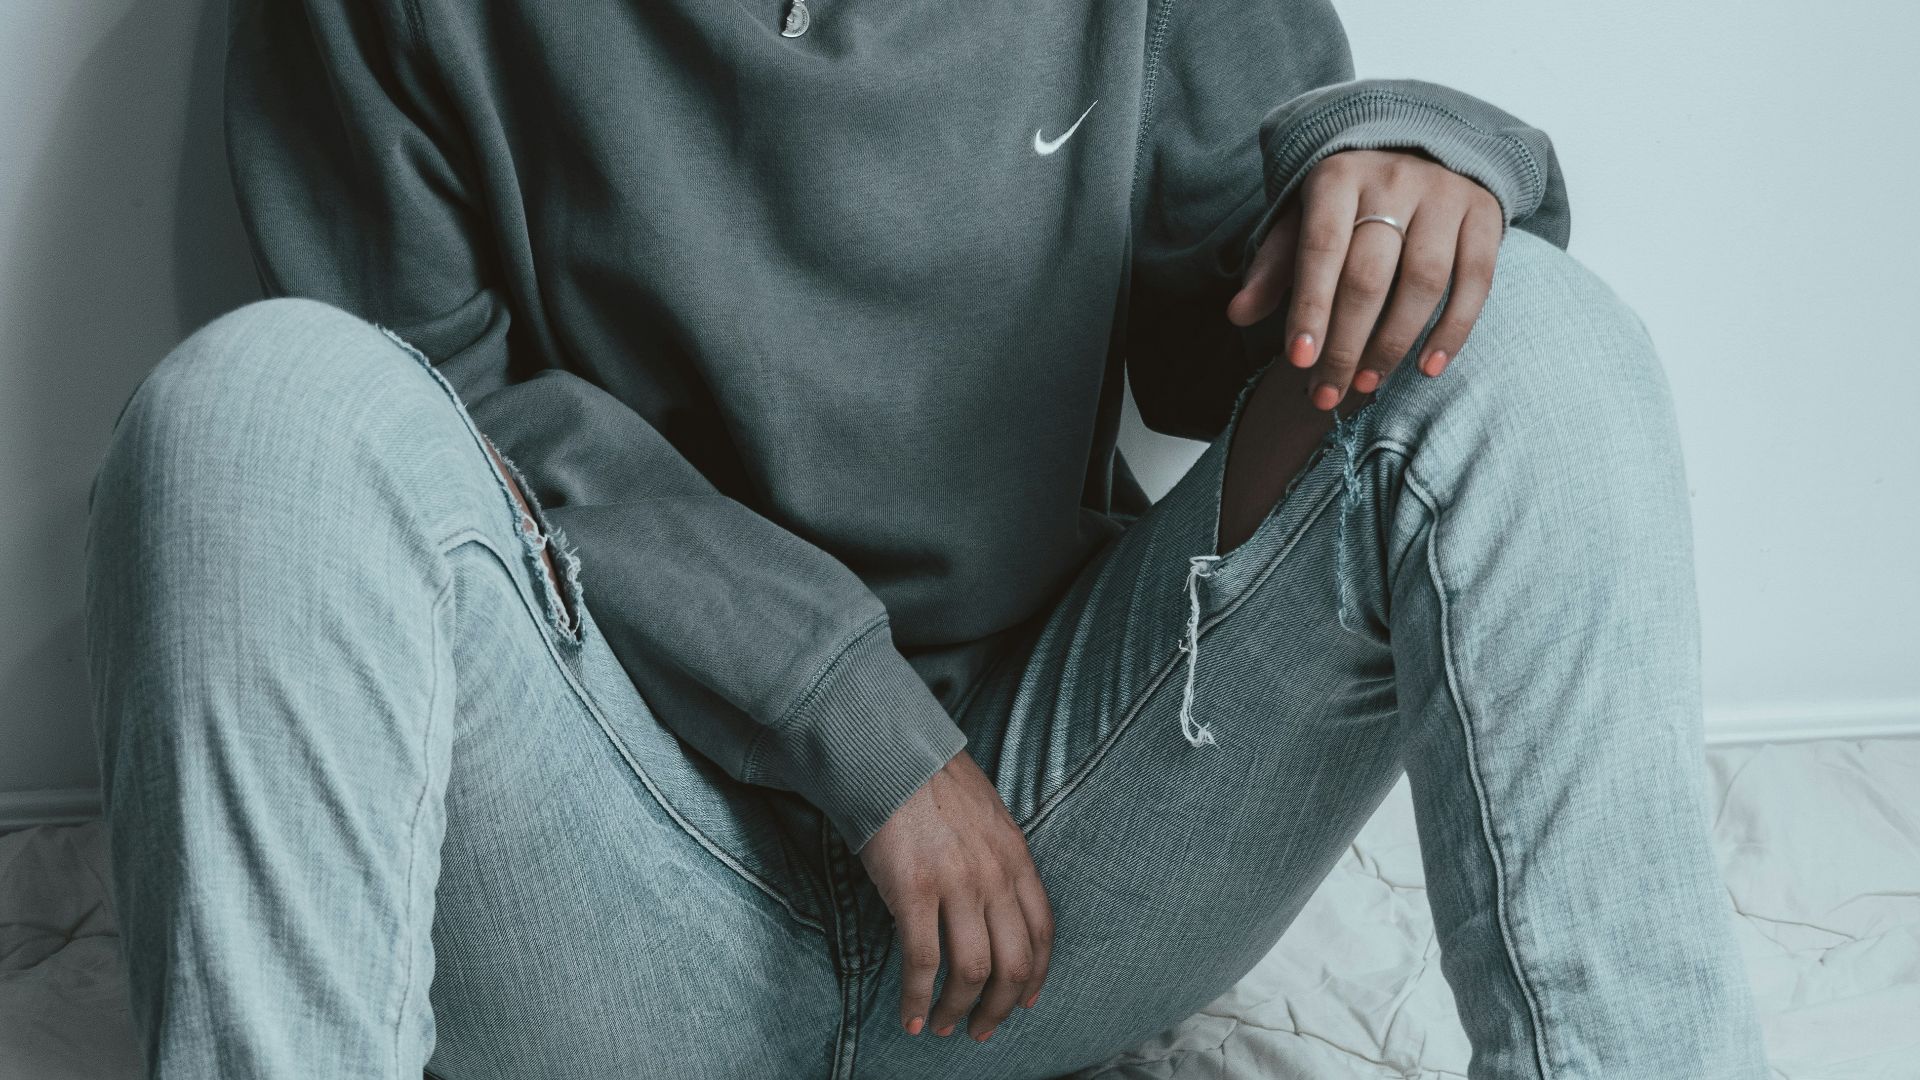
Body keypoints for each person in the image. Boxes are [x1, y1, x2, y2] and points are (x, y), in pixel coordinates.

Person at [82, 0, 1771, 1076]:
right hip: (602, 881)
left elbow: (1229, 333)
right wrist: (855, 722)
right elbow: (437, 407)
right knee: (257, 403)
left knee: (1522, 330)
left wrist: (1401, 167)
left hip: (1057, 865)